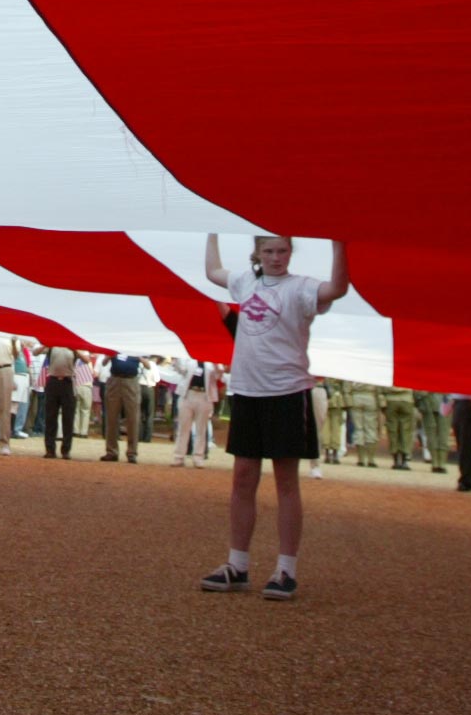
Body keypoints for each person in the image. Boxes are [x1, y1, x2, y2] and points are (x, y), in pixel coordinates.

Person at [198, 234, 347, 602]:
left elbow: (338, 288)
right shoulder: (245, 281)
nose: (276, 257)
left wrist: (340, 244)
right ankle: (238, 564)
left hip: (288, 392)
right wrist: (210, 231)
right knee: (243, 478)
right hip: (247, 391)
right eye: (269, 251)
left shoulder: (301, 289)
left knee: (286, 482)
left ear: (290, 253)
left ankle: (286, 569)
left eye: (282, 250)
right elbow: (212, 271)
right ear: (258, 253)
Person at [173, 360, 222, 468]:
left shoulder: (212, 361)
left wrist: (216, 364)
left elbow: (218, 376)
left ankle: (198, 457)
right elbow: (181, 370)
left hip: (204, 396)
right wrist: (176, 360)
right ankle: (179, 456)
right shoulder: (189, 359)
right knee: (183, 427)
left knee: (201, 429)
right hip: (188, 394)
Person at [101, 351, 143, 463]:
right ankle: (111, 451)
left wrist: (139, 357)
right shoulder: (115, 347)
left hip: (131, 381)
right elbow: (104, 363)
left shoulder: (137, 348)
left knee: (133, 418)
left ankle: (132, 453)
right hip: (115, 380)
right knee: (112, 417)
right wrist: (110, 356)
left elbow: (147, 365)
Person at [40, 344, 77, 459]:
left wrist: (75, 349)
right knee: (50, 417)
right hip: (53, 381)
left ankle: (66, 450)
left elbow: (86, 359)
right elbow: (36, 352)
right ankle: (50, 449)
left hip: (67, 382)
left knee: (68, 418)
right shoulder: (52, 346)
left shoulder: (73, 347)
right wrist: (46, 344)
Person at [382, 386, 419, 472]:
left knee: (392, 431)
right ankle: (404, 459)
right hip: (407, 400)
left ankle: (395, 460)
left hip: (391, 400)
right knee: (406, 431)